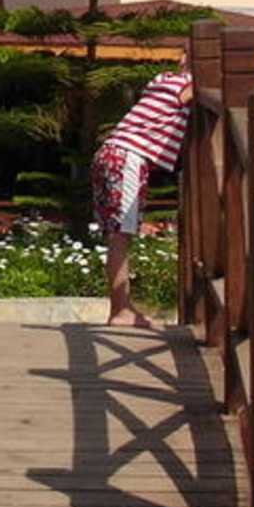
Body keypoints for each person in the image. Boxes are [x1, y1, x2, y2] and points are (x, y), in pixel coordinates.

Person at [92, 62, 195, 328]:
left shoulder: (161, 80)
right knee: (121, 236)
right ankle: (120, 310)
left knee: (115, 233)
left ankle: (121, 307)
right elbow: (193, 92)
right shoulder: (185, 84)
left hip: (109, 152)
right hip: (128, 157)